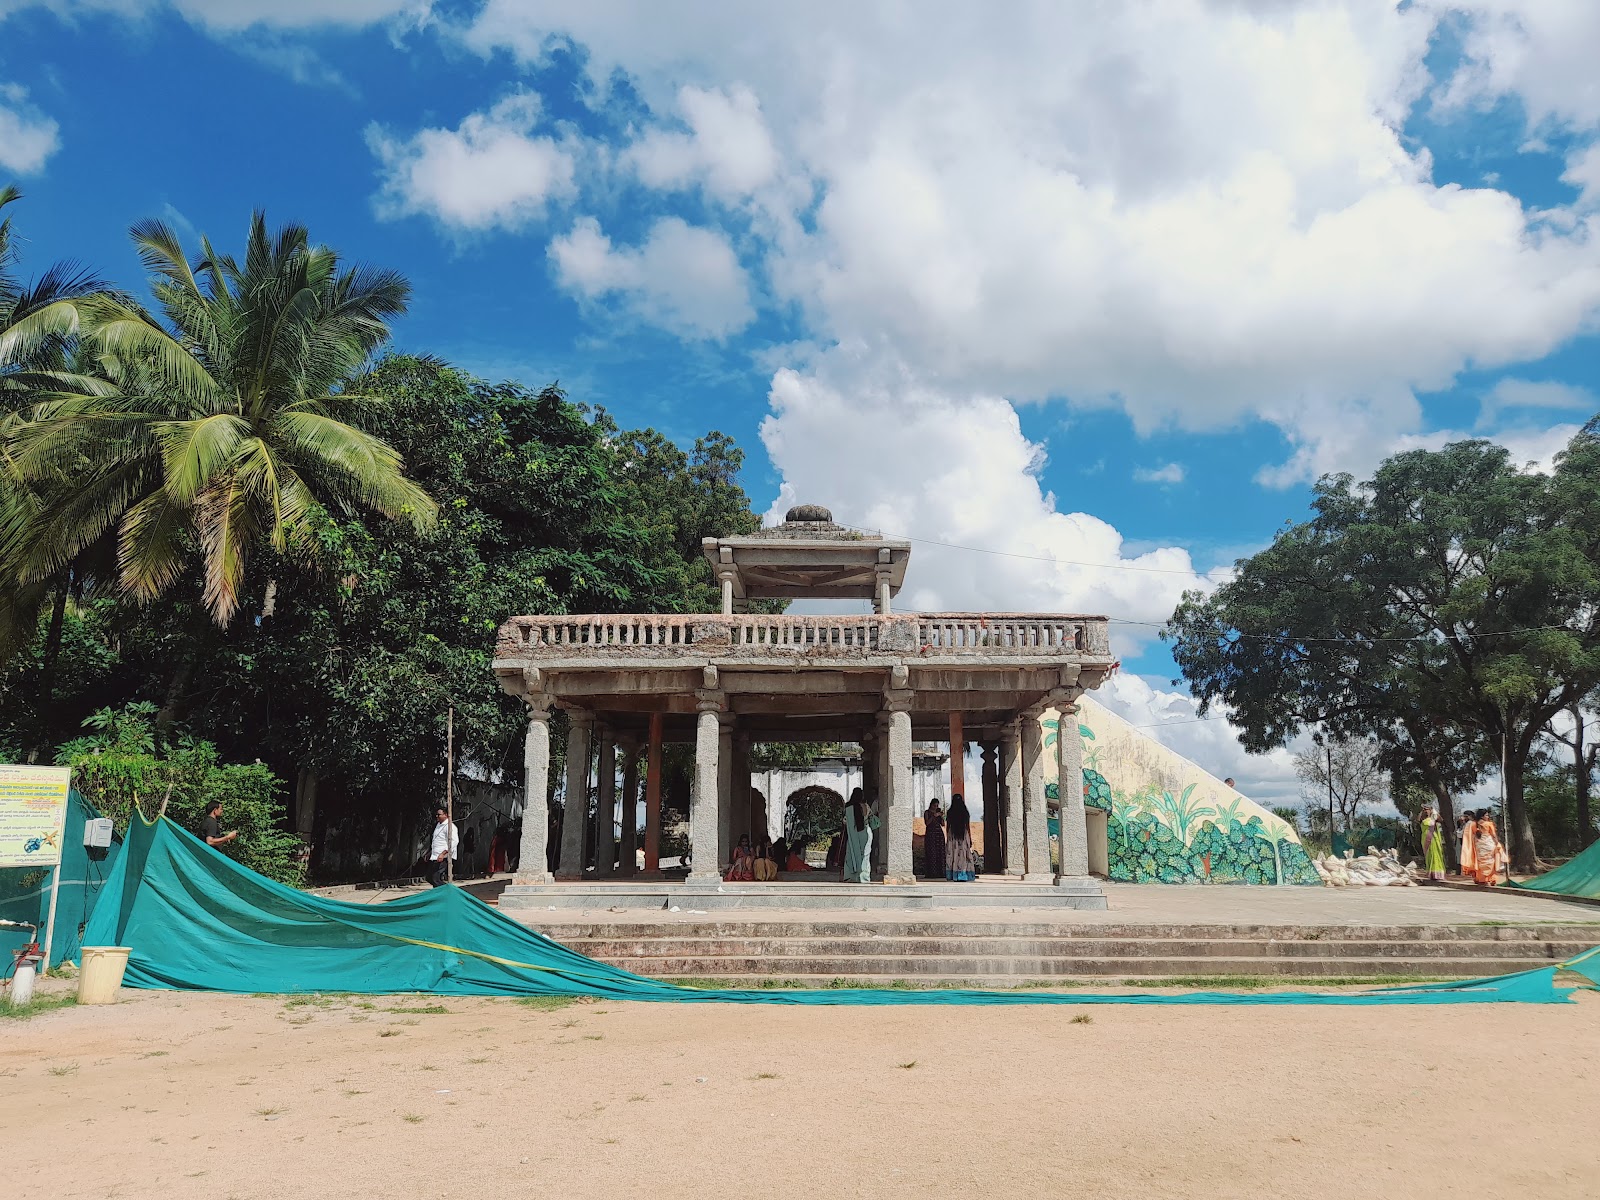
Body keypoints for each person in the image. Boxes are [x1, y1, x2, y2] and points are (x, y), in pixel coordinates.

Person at [842, 788, 878, 883]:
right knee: (865, 855)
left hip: (853, 834)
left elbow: (845, 822)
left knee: (851, 854)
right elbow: (871, 817)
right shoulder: (866, 806)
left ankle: (851, 876)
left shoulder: (848, 807)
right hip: (865, 833)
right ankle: (864, 877)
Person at [945, 793, 975, 882]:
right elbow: (968, 826)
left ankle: (952, 875)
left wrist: (948, 837)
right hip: (963, 835)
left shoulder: (950, 812)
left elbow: (948, 826)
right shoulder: (965, 812)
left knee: (952, 855)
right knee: (963, 855)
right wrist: (970, 837)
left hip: (953, 835)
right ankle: (963, 875)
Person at [1473, 809, 1506, 887]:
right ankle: (1491, 879)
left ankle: (1482, 879)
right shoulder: (1489, 824)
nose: (1488, 817)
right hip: (1488, 843)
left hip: (1479, 844)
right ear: (1482, 816)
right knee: (1491, 861)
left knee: (1481, 862)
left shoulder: (1474, 824)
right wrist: (1497, 843)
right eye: (1486, 815)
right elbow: (1493, 835)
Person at [429, 805, 458, 887]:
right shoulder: (438, 825)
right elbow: (437, 840)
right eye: (437, 815)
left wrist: (443, 853)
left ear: (445, 815)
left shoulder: (450, 826)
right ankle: (438, 894)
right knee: (430, 877)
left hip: (444, 857)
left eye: (439, 815)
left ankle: (448, 891)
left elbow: (454, 841)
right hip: (435, 855)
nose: (437, 816)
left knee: (436, 878)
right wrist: (430, 852)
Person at [1420, 804, 1447, 882]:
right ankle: (1430, 873)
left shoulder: (1433, 818)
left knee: (1435, 855)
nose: (1426, 811)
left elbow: (1441, 819)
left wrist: (1434, 811)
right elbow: (1419, 819)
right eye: (1425, 809)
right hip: (1426, 838)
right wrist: (1422, 812)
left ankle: (1437, 873)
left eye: (1427, 809)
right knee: (1429, 855)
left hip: (1433, 838)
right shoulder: (1422, 819)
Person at [922, 798, 946, 881]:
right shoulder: (927, 812)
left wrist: (941, 816)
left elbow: (943, 824)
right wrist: (933, 816)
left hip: (938, 834)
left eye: (937, 805)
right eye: (934, 805)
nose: (936, 807)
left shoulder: (938, 813)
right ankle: (931, 872)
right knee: (931, 852)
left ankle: (941, 872)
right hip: (931, 834)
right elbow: (927, 823)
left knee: (940, 853)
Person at [1459, 810, 1478, 881]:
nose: (1464, 818)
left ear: (1470, 816)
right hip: (1467, 844)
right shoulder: (1466, 824)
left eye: (1466, 816)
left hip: (1472, 844)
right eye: (1464, 816)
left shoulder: (1472, 823)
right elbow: (1460, 834)